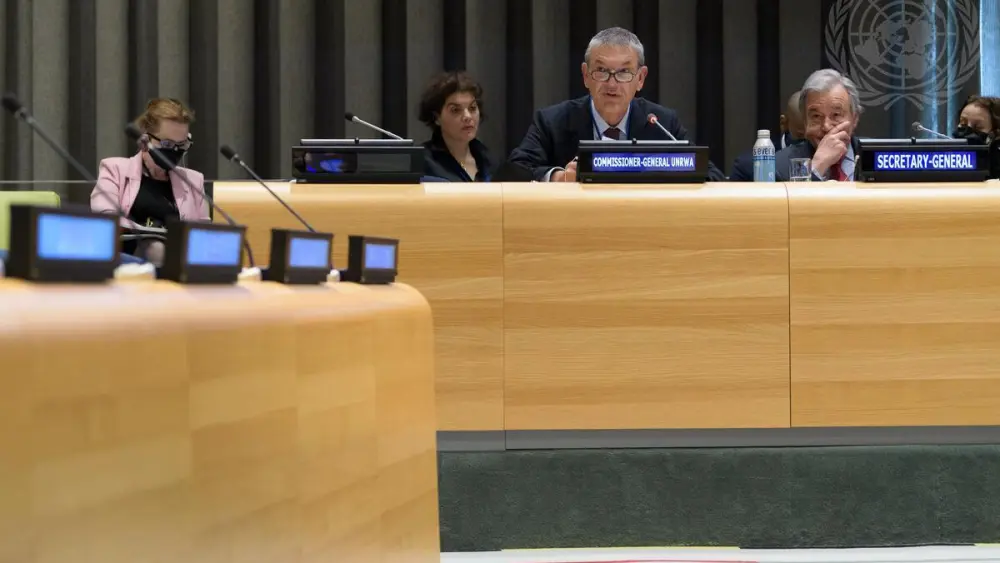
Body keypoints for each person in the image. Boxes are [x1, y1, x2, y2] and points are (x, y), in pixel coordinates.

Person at [508, 27, 724, 182]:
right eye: (601, 71)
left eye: (624, 72)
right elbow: (514, 171)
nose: (612, 84)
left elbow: (712, 176)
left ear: (641, 78)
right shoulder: (553, 122)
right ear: (586, 75)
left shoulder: (662, 123)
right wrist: (559, 177)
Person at [91, 98, 208, 266]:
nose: (175, 151)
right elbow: (104, 219)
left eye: (181, 145)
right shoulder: (114, 169)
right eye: (167, 144)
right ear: (145, 140)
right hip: (125, 263)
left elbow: (202, 236)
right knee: (156, 249)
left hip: (176, 264)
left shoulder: (193, 181)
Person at [775, 69, 862, 182]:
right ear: (805, 122)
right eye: (816, 116)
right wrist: (817, 165)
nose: (826, 126)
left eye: (836, 115)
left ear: (854, 119)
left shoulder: (878, 157)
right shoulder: (780, 166)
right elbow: (796, 194)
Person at [418, 71, 494, 182]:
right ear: (437, 117)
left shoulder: (488, 160)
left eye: (472, 108)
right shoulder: (423, 162)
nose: (467, 116)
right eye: (455, 110)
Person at [729, 91, 806, 181]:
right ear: (784, 123)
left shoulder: (820, 161)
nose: (808, 143)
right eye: (801, 136)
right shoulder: (747, 166)